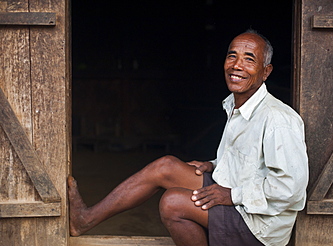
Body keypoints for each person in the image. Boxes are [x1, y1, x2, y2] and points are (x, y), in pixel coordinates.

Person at [68, 29, 309, 246]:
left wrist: (231, 196)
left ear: (266, 71)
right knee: (166, 166)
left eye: (249, 59)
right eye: (232, 56)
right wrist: (213, 164)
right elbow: (251, 161)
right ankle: (84, 220)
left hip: (259, 225)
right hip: (236, 193)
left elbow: (291, 188)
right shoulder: (237, 106)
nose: (237, 65)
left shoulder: (278, 119)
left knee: (173, 203)